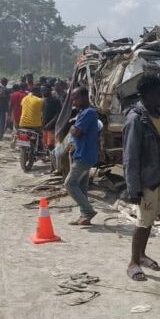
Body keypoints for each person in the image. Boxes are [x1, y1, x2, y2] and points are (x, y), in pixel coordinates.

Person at [122, 74, 160, 281]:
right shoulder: (136, 119)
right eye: (157, 92)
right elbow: (130, 156)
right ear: (145, 94)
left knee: (150, 219)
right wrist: (133, 187)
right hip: (146, 181)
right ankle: (133, 262)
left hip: (158, 178)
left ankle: (142, 255)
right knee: (142, 222)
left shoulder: (158, 115)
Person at [64, 87, 99, 226]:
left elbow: (76, 131)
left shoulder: (88, 113)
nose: (73, 100)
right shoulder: (83, 112)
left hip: (84, 155)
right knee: (81, 186)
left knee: (69, 183)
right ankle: (84, 216)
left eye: (75, 97)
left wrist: (72, 127)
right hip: (83, 153)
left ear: (84, 97)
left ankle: (88, 210)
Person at [41, 84, 61, 151]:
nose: (43, 92)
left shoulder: (56, 101)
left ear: (49, 90)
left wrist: (50, 123)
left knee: (51, 145)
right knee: (45, 145)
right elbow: (42, 113)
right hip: (44, 127)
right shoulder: (44, 101)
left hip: (52, 128)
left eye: (44, 90)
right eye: (42, 90)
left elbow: (58, 114)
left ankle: (53, 160)